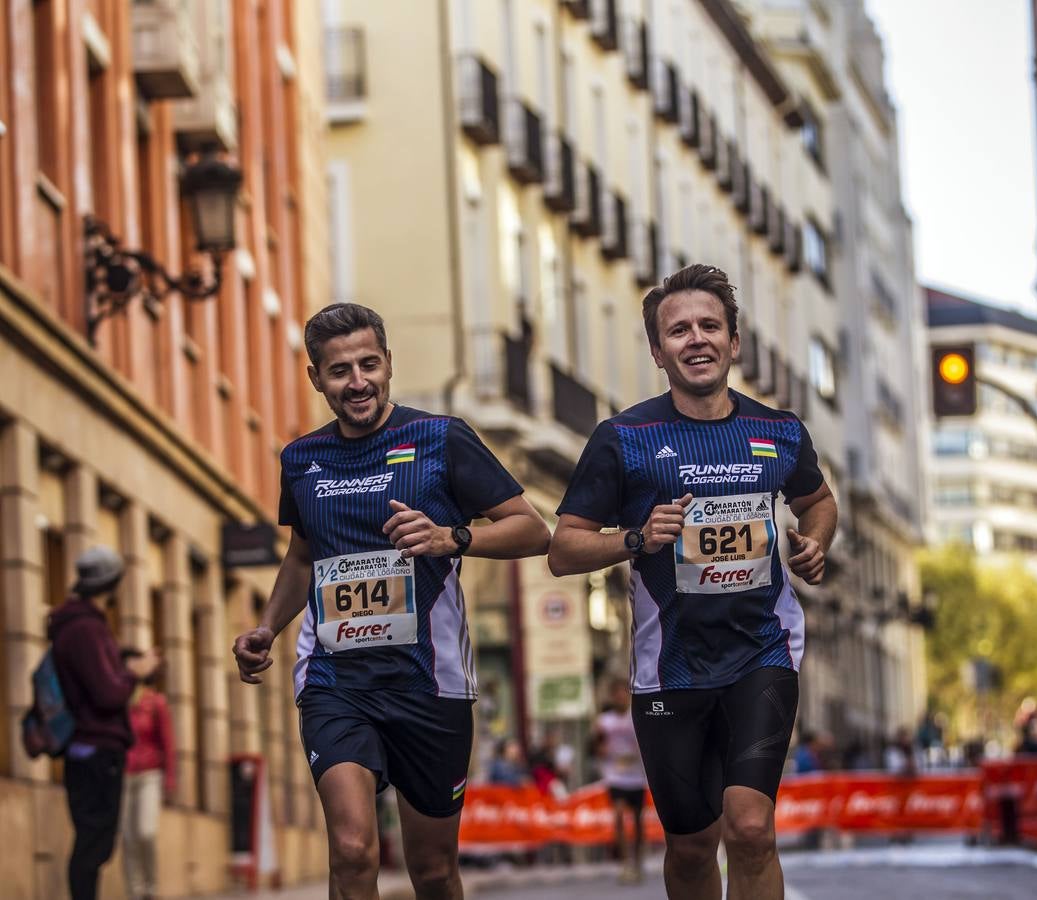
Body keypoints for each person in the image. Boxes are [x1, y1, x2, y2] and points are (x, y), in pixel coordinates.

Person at [231, 303, 551, 900]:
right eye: (339, 370)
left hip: (431, 684)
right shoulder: (301, 460)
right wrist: (267, 629)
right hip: (335, 681)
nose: (357, 383)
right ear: (316, 378)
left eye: (369, 365)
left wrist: (449, 537)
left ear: (388, 365)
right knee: (352, 851)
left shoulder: (441, 439)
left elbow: (534, 531)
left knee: (431, 872)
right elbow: (304, 558)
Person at [549, 264, 838, 900]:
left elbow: (819, 500)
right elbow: (563, 551)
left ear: (736, 342)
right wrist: (635, 539)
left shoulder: (779, 431)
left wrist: (815, 543)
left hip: (763, 651)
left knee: (752, 827)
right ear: (658, 351)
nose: (696, 339)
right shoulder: (623, 439)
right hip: (670, 667)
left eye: (710, 325)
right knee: (688, 847)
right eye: (678, 330)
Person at [48, 546, 161, 900]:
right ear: (111, 584)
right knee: (93, 844)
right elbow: (108, 694)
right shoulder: (86, 628)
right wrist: (135, 672)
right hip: (96, 749)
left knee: (92, 841)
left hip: (84, 747)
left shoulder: (73, 625)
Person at [121, 649, 176, 900]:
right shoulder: (119, 703)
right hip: (122, 776)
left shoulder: (156, 702)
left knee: (146, 832)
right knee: (127, 837)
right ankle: (135, 892)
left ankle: (151, 889)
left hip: (149, 775)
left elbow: (168, 744)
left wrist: (170, 779)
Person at [593, 682, 648, 884]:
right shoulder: (604, 721)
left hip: (636, 776)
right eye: (616, 695)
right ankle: (625, 862)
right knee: (618, 815)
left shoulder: (637, 716)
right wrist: (600, 749)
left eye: (623, 694)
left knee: (638, 821)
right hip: (615, 776)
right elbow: (596, 746)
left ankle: (638, 861)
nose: (620, 699)